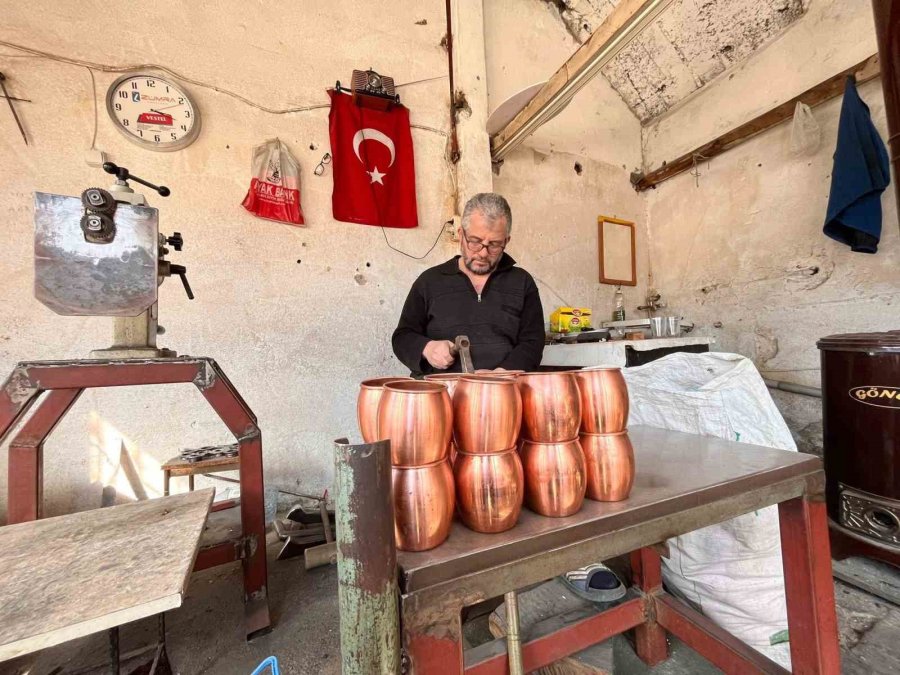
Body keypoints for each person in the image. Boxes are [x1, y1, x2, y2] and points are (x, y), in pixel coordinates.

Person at [392, 193, 544, 375]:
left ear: (506, 241)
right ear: (461, 235)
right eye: (475, 242)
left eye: (494, 245)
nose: (483, 253)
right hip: (440, 396)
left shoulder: (521, 282)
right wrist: (427, 348)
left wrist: (502, 374)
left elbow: (532, 343)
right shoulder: (429, 282)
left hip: (502, 393)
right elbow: (402, 338)